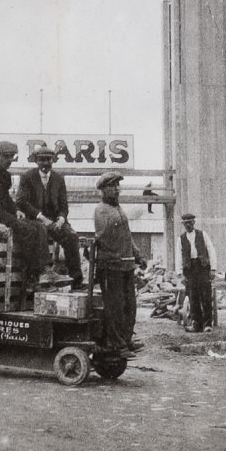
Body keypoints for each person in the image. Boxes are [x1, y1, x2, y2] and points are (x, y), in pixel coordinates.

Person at [0, 140, 56, 282]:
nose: (10, 160)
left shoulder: (5, 175)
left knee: (39, 226)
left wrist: (15, 210)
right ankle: (32, 276)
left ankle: (45, 270)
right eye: (7, 156)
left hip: (2, 215)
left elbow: (5, 198)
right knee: (28, 230)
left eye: (12, 156)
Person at [94, 172, 147, 359]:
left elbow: (127, 235)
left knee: (129, 305)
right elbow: (103, 238)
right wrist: (115, 255)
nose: (117, 189)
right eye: (112, 186)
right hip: (110, 267)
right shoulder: (101, 210)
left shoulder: (119, 209)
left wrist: (137, 254)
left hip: (126, 266)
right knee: (115, 306)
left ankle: (126, 339)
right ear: (103, 190)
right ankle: (116, 344)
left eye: (118, 186)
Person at [16, 145, 84, 289]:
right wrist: (41, 217)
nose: (45, 163)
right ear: (36, 161)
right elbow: (21, 201)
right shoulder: (27, 177)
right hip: (35, 220)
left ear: (53, 161)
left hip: (54, 221)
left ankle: (76, 279)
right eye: (42, 160)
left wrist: (61, 219)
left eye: (48, 160)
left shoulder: (58, 179)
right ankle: (43, 273)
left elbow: (64, 205)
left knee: (71, 236)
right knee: (40, 230)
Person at [179, 213, 217, 333]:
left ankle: (207, 324)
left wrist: (213, 269)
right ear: (183, 224)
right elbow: (179, 257)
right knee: (192, 297)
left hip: (203, 267)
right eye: (186, 223)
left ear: (194, 223)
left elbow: (211, 251)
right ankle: (197, 325)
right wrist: (181, 274)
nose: (188, 225)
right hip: (189, 269)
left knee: (205, 295)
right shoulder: (181, 238)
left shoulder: (202, 234)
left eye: (190, 222)